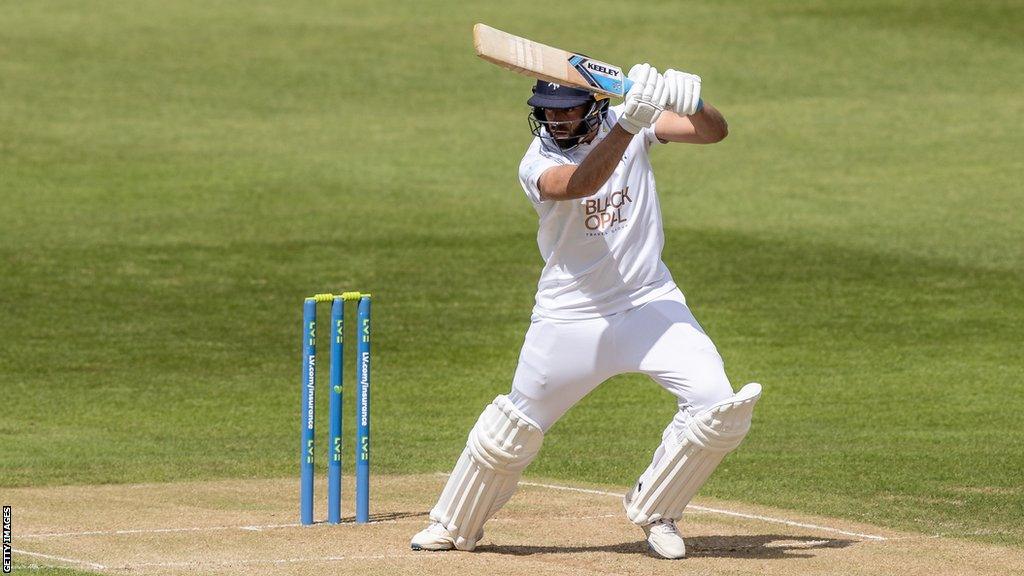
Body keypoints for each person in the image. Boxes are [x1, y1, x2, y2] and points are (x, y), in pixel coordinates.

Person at [410, 64, 762, 559]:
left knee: (719, 409)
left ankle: (656, 508)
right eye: (547, 113)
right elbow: (578, 184)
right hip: (570, 316)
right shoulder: (537, 161)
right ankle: (453, 525)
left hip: (649, 303)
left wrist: (692, 102)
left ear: (594, 106)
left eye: (567, 110)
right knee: (510, 432)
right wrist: (628, 126)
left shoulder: (630, 122)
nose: (556, 122)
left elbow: (714, 133)